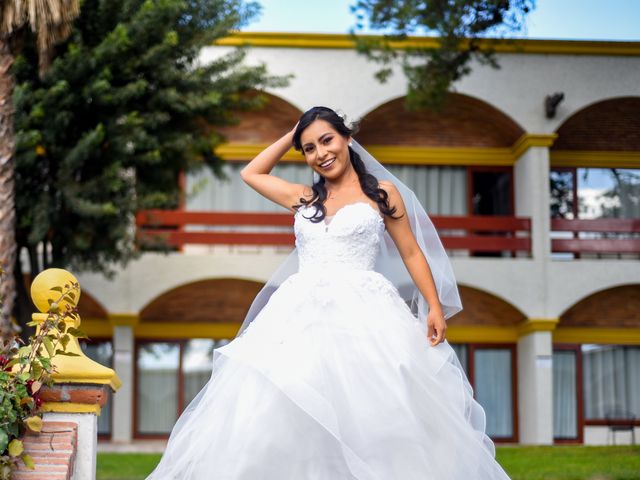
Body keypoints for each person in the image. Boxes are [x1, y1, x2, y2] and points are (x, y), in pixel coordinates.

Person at [147, 107, 511, 479]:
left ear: (347, 138)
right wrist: (293, 135)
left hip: (366, 314)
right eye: (309, 149)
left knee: (373, 410)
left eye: (327, 140)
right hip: (299, 315)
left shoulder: (383, 194)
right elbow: (251, 173)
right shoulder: (304, 198)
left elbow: (412, 252)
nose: (321, 153)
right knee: (282, 406)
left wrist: (433, 305)